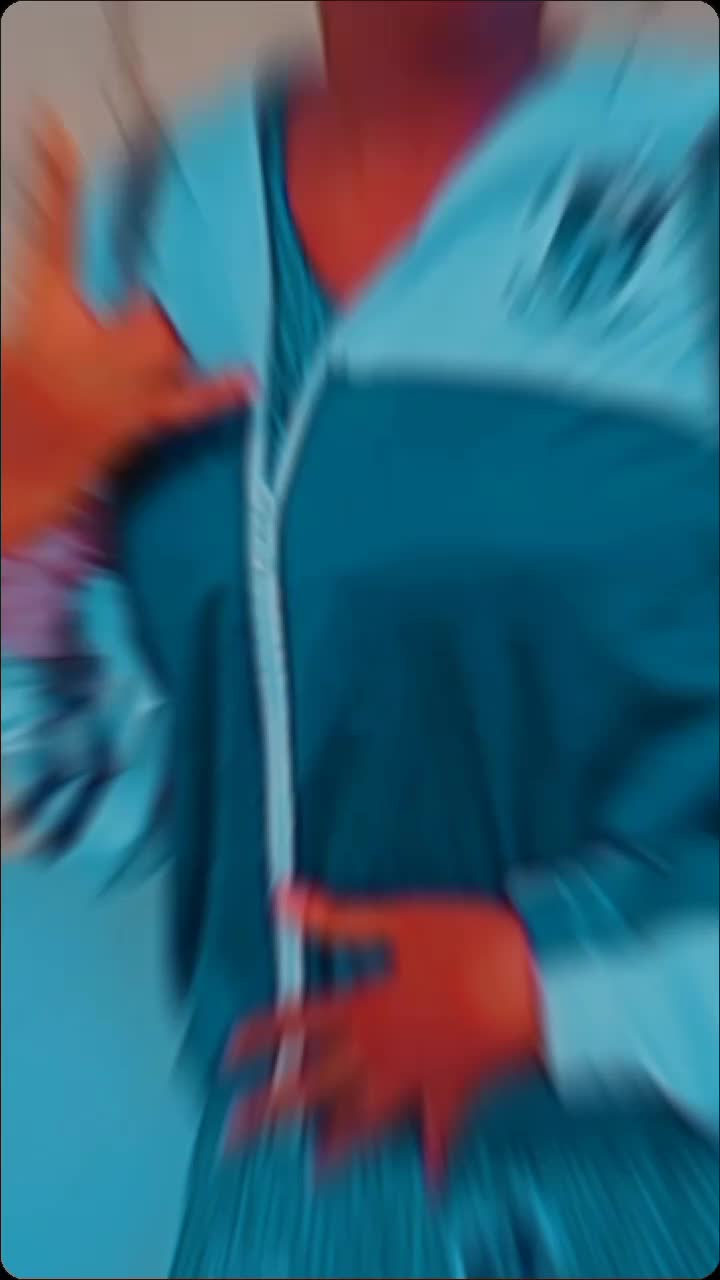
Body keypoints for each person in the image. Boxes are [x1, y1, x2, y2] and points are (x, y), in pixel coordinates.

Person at [2, 2, 718, 1275]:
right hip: (285, 1200)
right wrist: (22, 518)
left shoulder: (689, 177)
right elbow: (111, 791)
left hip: (650, 1195)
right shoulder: (153, 227)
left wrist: (560, 1001)